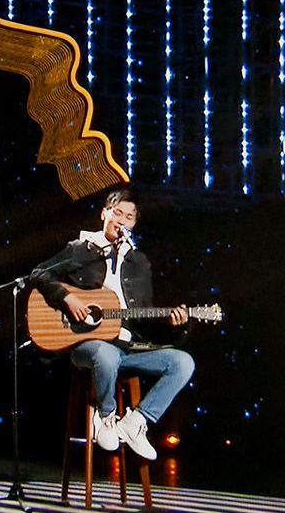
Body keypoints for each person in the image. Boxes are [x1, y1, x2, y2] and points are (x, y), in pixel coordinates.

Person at [29, 188, 194, 460]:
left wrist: (176, 325)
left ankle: (135, 423)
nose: (122, 221)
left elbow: (143, 318)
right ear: (104, 214)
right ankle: (106, 416)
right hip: (89, 346)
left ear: (134, 224)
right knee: (105, 354)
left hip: (128, 347)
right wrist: (67, 298)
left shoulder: (140, 262)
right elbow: (39, 273)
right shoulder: (81, 250)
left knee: (183, 362)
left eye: (129, 217)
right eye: (118, 213)